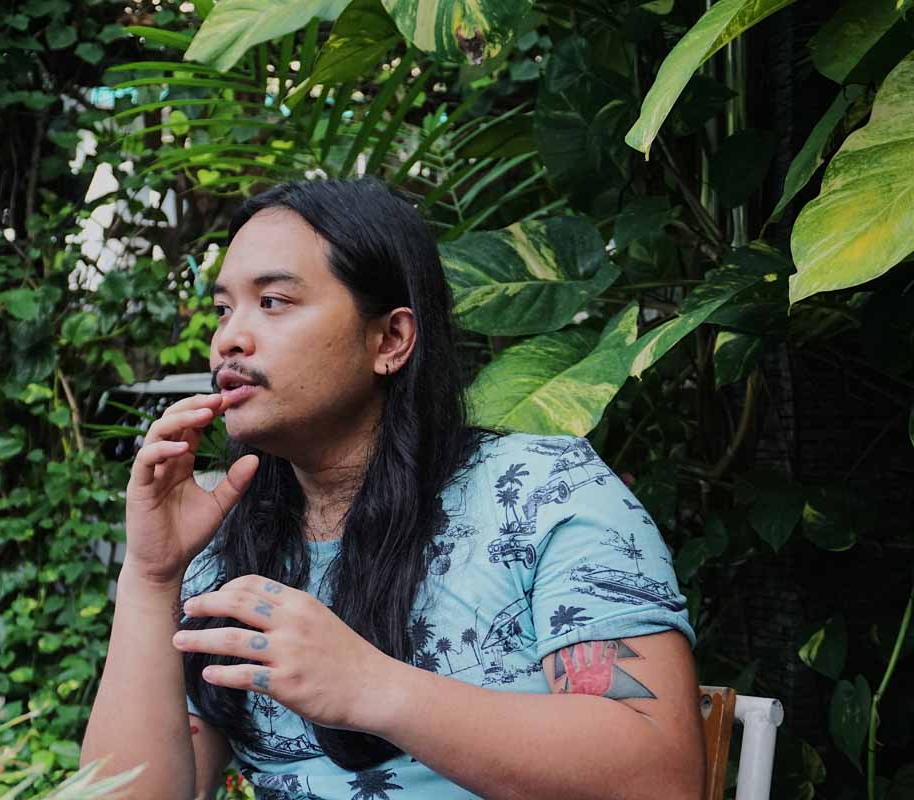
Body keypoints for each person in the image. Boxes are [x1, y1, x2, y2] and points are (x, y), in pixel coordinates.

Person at [80, 178, 704, 799]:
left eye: (272, 301)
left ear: (390, 340)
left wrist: (369, 686)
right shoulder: (226, 547)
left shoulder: (543, 494)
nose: (227, 339)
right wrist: (151, 578)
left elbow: (661, 780)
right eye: (224, 308)